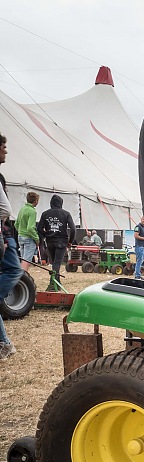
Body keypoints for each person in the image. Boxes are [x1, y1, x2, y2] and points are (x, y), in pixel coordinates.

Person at [0, 132, 24, 360]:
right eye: (3, 147)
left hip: (10, 236)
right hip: (5, 235)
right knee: (15, 270)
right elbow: (5, 210)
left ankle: (5, 343)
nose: (5, 150)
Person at [37, 194, 76, 287]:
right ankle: (52, 283)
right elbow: (73, 229)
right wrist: (70, 241)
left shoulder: (45, 214)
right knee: (57, 263)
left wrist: (45, 235)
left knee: (54, 262)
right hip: (62, 241)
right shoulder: (66, 214)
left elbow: (39, 228)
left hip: (50, 241)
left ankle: (57, 283)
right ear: (61, 203)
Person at [16, 191, 40, 273]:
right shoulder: (32, 211)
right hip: (29, 238)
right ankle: (22, 279)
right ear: (35, 201)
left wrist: (20, 232)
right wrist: (36, 239)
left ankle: (20, 277)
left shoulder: (22, 209)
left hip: (20, 236)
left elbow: (16, 224)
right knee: (26, 262)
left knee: (23, 260)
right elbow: (30, 228)